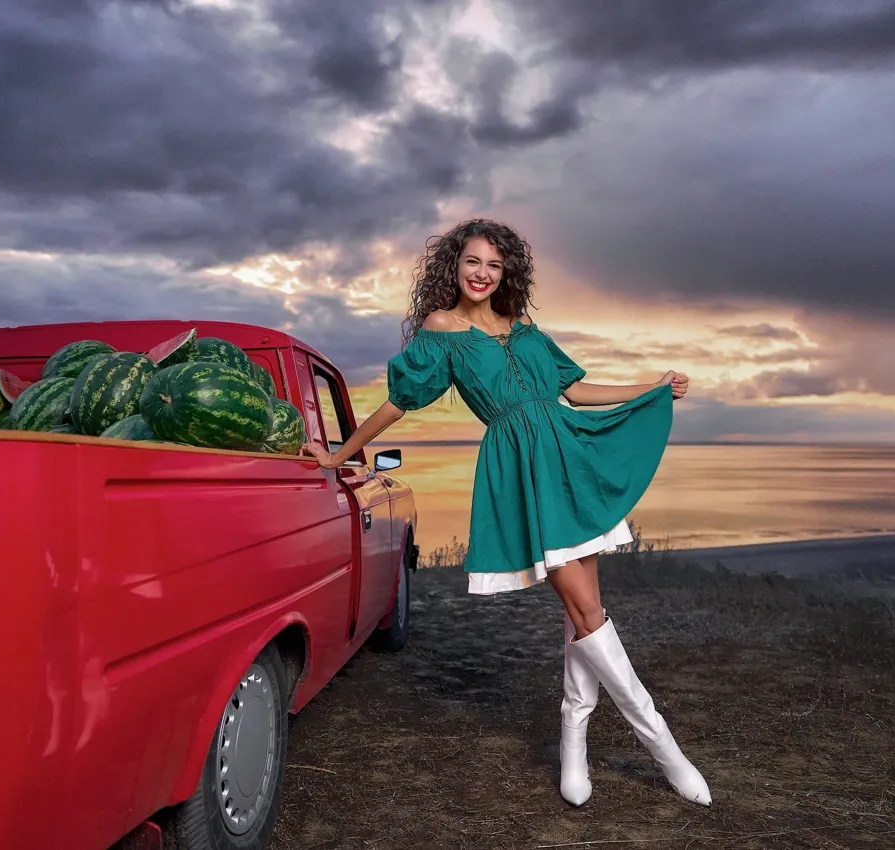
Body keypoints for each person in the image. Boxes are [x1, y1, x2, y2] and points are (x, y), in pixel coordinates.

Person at [300, 219, 712, 808]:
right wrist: (340, 453)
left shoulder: (525, 328)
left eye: (494, 265)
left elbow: (575, 392)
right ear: (455, 264)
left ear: (506, 272)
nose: (482, 273)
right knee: (587, 609)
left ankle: (574, 735)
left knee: (582, 612)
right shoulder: (442, 329)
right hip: (518, 469)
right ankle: (665, 748)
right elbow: (398, 402)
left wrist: (650, 388)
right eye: (473, 261)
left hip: (567, 458)